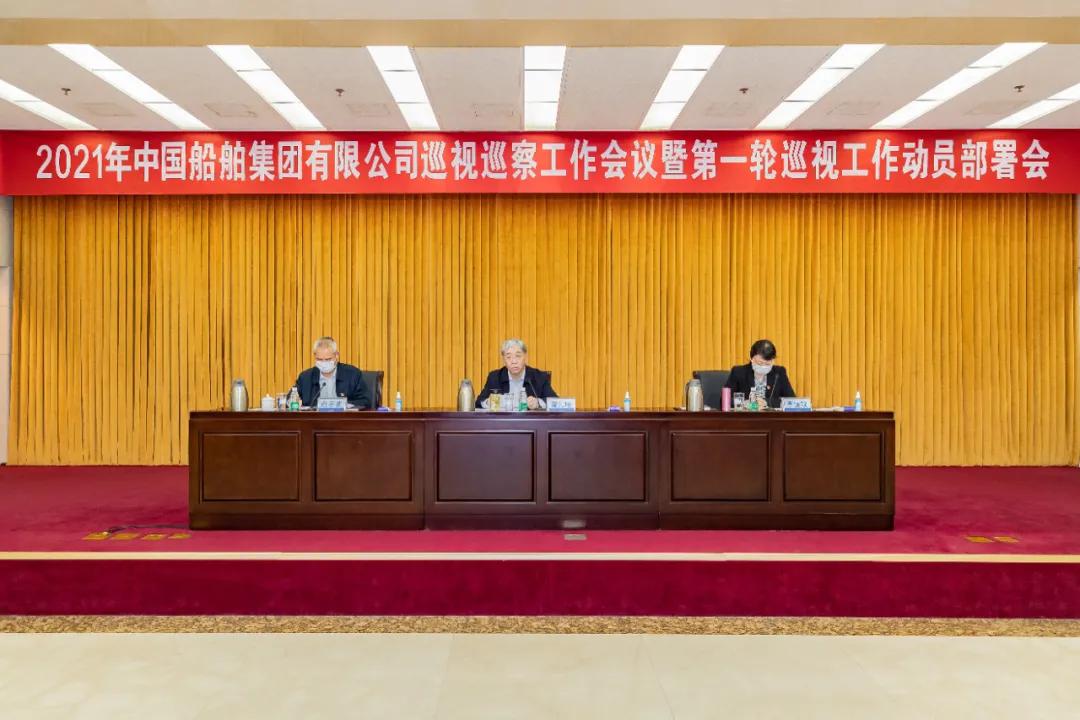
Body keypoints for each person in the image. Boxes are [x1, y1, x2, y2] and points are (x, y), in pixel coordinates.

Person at [476, 339, 558, 410]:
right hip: (502, 421)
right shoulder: (495, 377)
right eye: (508, 357)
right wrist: (488, 402)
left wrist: (538, 403)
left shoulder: (539, 377)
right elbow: (479, 401)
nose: (514, 361)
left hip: (529, 422)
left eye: (518, 356)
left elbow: (555, 402)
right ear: (503, 359)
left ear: (525, 356)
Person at [294, 336, 371, 409]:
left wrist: (346, 405)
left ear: (336, 356)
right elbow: (290, 399)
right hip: (314, 418)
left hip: (344, 417)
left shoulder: (353, 374)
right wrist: (295, 402)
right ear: (315, 356)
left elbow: (365, 401)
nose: (323, 363)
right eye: (319, 359)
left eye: (328, 359)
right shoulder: (305, 378)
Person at [723, 339, 796, 409]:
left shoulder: (779, 373)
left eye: (767, 364)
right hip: (747, 415)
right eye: (760, 363)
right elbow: (724, 400)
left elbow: (792, 400)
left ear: (773, 360)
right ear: (751, 358)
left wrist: (767, 402)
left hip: (771, 416)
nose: (763, 366)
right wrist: (743, 403)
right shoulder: (739, 372)